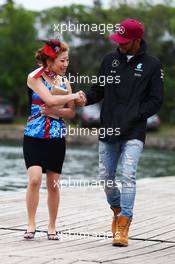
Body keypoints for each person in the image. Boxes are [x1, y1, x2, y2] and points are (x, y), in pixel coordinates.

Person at [76, 18, 164, 246]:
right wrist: (84, 98)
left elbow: (156, 100)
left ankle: (124, 223)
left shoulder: (153, 65)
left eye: (125, 42)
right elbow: (98, 89)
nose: (120, 45)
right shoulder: (109, 60)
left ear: (137, 40)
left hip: (134, 131)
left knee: (128, 176)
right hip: (108, 130)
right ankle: (117, 209)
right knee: (106, 179)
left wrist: (135, 115)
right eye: (119, 40)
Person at [23, 39, 80, 240]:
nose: (65, 64)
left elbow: (70, 113)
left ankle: (52, 226)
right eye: (62, 60)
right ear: (49, 61)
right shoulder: (34, 77)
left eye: (67, 60)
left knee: (53, 184)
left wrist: (59, 108)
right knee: (35, 180)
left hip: (56, 137)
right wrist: (73, 96)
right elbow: (49, 99)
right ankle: (31, 224)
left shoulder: (65, 82)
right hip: (33, 135)